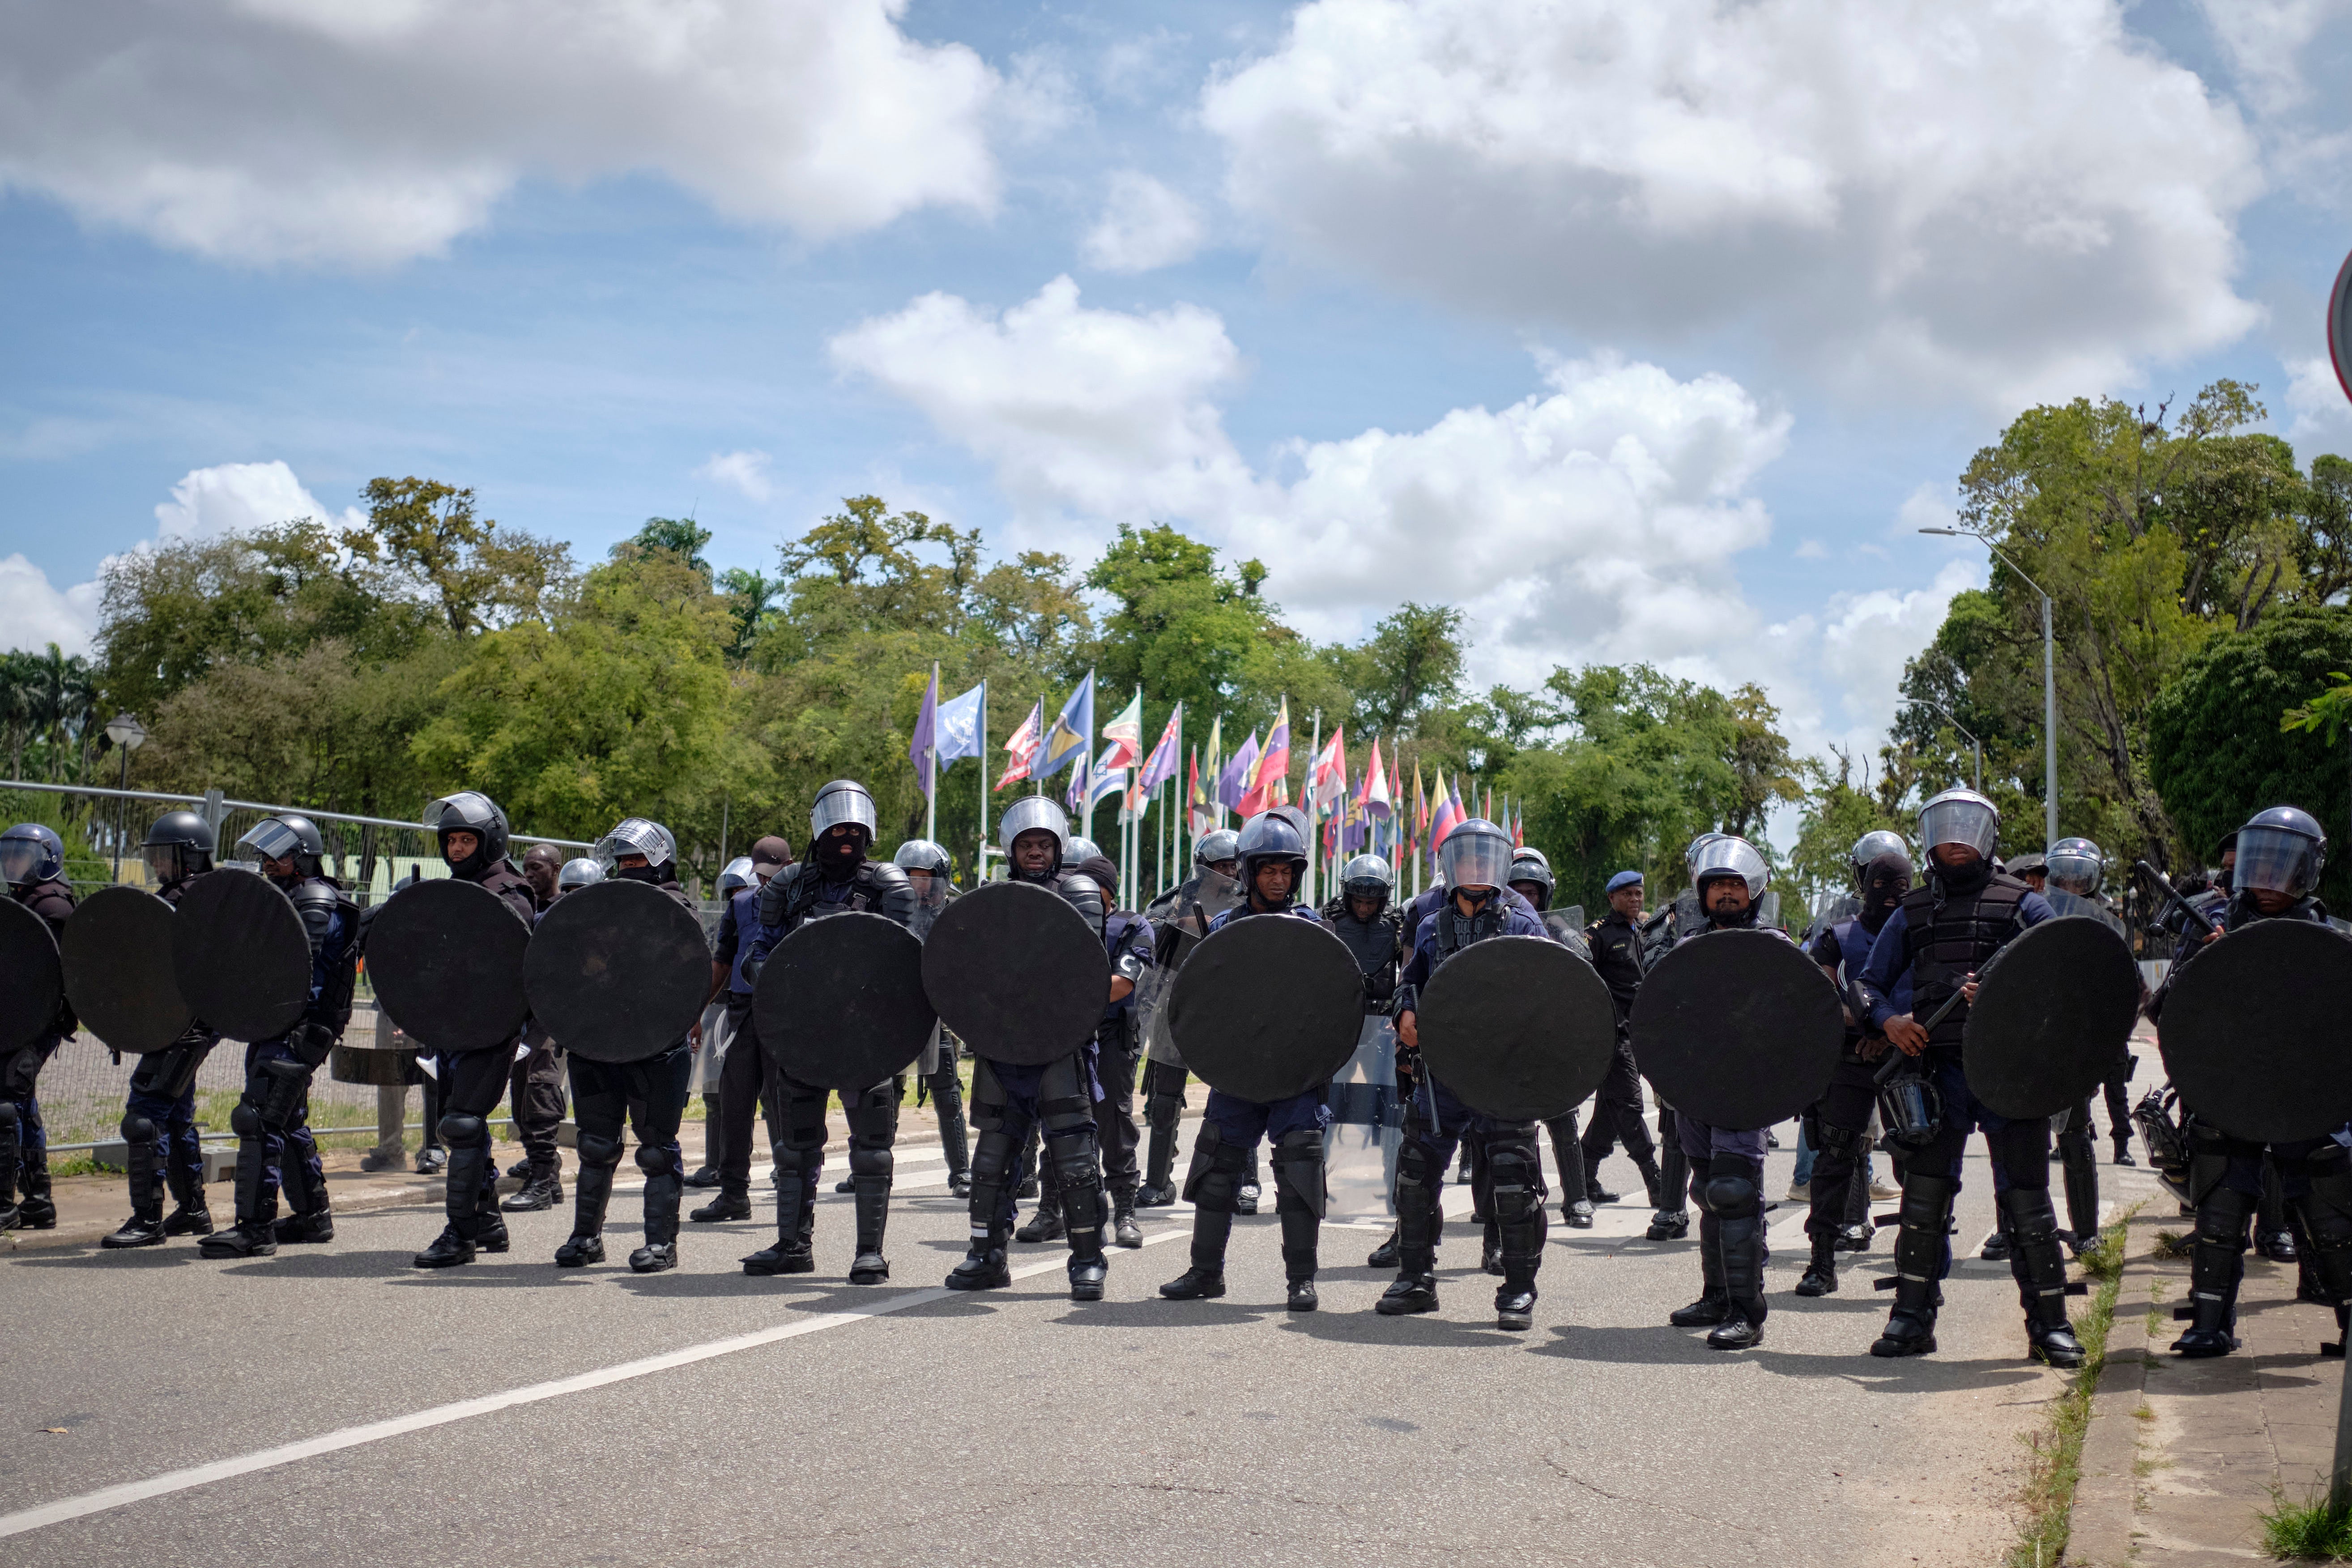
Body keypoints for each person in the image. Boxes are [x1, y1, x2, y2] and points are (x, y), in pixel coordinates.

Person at [1853, 788, 2082, 1367]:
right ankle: (1910, 1319)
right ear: (1930, 839)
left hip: (2010, 1072)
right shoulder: (1912, 911)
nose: (1955, 840)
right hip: (1937, 1074)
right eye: (1944, 829)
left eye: (1967, 828)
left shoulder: (2023, 905)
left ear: (1987, 838)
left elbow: (2063, 973)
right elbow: (1865, 985)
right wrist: (1891, 1020)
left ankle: (2050, 1324)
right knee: (1924, 1203)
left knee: (2028, 1200)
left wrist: (2008, 997)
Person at [2151, 806, 2352, 1357]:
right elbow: (2166, 1013)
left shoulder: (2330, 940)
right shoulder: (2212, 930)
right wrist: (2211, 970)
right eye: (2260, 861)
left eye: (2282, 863)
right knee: (2220, 1204)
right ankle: (2211, 1322)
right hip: (2231, 1089)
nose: (2268, 876)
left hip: (2305, 1094)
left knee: (2332, 1211)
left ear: (2308, 869)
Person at [945, 796, 1133, 1301]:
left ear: (1057, 848)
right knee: (992, 1157)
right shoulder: (994, 899)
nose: (1034, 852)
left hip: (1059, 1043)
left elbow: (1083, 970)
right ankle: (986, 1254)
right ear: (1012, 849)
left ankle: (1088, 1262)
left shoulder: (1078, 894)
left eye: (1043, 844)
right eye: (1026, 844)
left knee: (1074, 1159)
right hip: (1003, 1045)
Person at [737, 786, 916, 1282]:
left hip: (867, 1031)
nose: (847, 839)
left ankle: (869, 1252)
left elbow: (904, 956)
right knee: (795, 1147)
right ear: (820, 829)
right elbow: (759, 953)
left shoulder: (888, 884)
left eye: (856, 832)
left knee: (872, 1147)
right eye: (839, 830)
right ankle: (793, 1245)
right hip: (805, 1028)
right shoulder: (790, 885)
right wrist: (780, 981)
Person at [1385, 818, 1553, 1330]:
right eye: (1467, 858)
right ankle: (1416, 1279)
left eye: (1486, 859)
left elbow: (1551, 995)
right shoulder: (1432, 927)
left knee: (1513, 1182)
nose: (1476, 867)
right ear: (1451, 866)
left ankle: (1519, 1290)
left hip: (1503, 1075)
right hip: (1441, 1073)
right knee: (1414, 1175)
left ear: (1500, 867)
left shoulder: (1523, 926)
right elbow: (1408, 984)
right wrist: (1404, 1014)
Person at [1160, 814, 1334, 1311]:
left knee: (1300, 1169)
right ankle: (1205, 1272)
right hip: (1237, 1069)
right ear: (1248, 872)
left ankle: (1301, 1279)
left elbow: (1331, 1005)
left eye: (1286, 871)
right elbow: (1200, 1005)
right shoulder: (1221, 928)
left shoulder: (1311, 930)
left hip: (1295, 1071)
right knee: (1217, 1167)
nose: (1278, 880)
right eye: (1268, 871)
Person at [545, 817, 700, 1274]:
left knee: (655, 1147)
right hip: (598, 1040)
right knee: (595, 1144)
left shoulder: (678, 910)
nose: (628, 866)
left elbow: (686, 978)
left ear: (659, 861)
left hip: (657, 1045)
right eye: (623, 859)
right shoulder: (598, 907)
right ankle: (586, 1238)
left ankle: (660, 1244)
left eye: (638, 858)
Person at [201, 815, 358, 1258]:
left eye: (282, 854)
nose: (271, 862)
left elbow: (294, 967)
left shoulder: (316, 899)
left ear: (304, 858)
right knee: (285, 1119)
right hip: (276, 1023)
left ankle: (254, 1228)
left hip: (300, 1025)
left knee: (258, 1116)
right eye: (267, 854)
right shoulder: (282, 896)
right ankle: (313, 1217)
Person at [1653, 836, 1783, 1350]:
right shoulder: (1687, 949)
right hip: (1696, 1087)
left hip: (1744, 1088)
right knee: (1708, 1191)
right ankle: (1716, 1294)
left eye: (1736, 885)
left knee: (1735, 1191)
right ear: (1702, 893)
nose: (1727, 894)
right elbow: (1664, 1015)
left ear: (1752, 890)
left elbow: (1793, 1019)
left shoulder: (1774, 948)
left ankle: (1747, 1311)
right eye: (1718, 886)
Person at [410, 793, 540, 1269]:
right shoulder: (451, 889)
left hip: (490, 1028)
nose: (458, 849)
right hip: (451, 1027)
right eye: (452, 841)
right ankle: (486, 1220)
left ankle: (459, 1234)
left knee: (462, 1124)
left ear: (490, 841)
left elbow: (507, 965)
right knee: (462, 1128)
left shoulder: (510, 891)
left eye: (467, 840)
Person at [1792, 831, 1910, 1298]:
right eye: (1879, 882)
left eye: (1897, 883)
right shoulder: (1837, 935)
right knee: (1835, 1157)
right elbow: (1821, 998)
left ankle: (1914, 1265)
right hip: (1849, 1057)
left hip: (1909, 1059)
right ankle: (1822, 1260)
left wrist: (1891, 1034)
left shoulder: (1922, 930)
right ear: (1862, 881)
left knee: (1914, 1160)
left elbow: (1935, 992)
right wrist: (1873, 1027)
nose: (1888, 892)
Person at [103, 811, 222, 1247]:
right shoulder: (187, 895)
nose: (157, 863)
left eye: (165, 855)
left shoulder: (195, 900)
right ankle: (193, 1211)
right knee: (173, 1116)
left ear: (188, 857)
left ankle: (146, 1221)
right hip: (179, 1025)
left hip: (185, 1027)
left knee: (145, 1114)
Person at [1022, 853, 1153, 1249]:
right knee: (1059, 1124)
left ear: (1108, 894)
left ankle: (1125, 1212)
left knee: (1114, 1124)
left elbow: (1122, 983)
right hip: (1065, 1037)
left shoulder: (1131, 926)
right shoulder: (1057, 924)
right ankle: (1050, 1211)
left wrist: (1066, 991)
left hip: (1110, 1037)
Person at [1134, 829, 1243, 1207]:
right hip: (1177, 1005)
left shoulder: (1251, 906)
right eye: (1221, 865)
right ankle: (1158, 1181)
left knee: (1239, 1095)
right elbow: (1152, 947)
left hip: (1229, 1009)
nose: (1229, 871)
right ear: (1204, 868)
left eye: (1234, 864)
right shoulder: (1176, 902)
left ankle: (1246, 1183)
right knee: (1164, 1099)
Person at [692, 837, 792, 1219]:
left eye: (773, 873)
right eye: (761, 875)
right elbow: (722, 960)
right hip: (742, 1010)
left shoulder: (801, 900)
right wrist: (697, 1010)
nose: (766, 882)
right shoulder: (741, 903)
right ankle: (734, 1194)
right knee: (735, 1106)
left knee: (785, 1104)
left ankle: (792, 1186)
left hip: (785, 1013)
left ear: (789, 865)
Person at [1506, 848, 1596, 1230]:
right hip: (1509, 1038)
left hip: (1549, 1037)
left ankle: (1576, 1199)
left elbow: (1585, 974)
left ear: (1546, 894)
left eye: (1534, 892)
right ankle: (1513, 1195)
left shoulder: (1561, 928)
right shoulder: (1500, 924)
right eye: (1519, 891)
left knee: (1563, 1121)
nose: (1527, 899)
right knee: (1506, 1123)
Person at [1579, 870, 1669, 1230]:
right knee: (1631, 1104)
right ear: (1612, 897)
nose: (1636, 900)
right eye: (1628, 894)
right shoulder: (1599, 934)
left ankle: (1585, 1172)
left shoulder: (1639, 932)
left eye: (1639, 894)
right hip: (1612, 1035)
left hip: (1638, 1031)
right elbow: (1585, 981)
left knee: (1610, 1111)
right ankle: (1655, 1179)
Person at [1, 823, 75, 1231]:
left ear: (46, 859)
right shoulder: (23, 900)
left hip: (39, 1021)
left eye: (21, 855)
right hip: (17, 1019)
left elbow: (47, 979)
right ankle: (38, 1201)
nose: (12, 863)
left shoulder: (53, 908)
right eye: (9, 855)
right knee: (21, 1102)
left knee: (9, 1098)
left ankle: (8, 1203)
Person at [893, 838, 972, 1198]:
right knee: (885, 1092)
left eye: (925, 877)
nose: (918, 884)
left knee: (948, 1095)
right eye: (911, 876)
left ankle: (961, 1172)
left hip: (936, 1015)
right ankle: (872, 1164)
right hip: (897, 1011)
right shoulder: (893, 912)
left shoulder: (953, 916)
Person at [500, 843, 575, 1214]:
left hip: (550, 1018)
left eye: (537, 868)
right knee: (521, 1102)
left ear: (556, 869)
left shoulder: (565, 910)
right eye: (526, 867)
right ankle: (549, 1174)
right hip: (521, 1016)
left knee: (541, 1095)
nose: (529, 874)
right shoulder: (524, 909)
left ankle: (542, 1183)